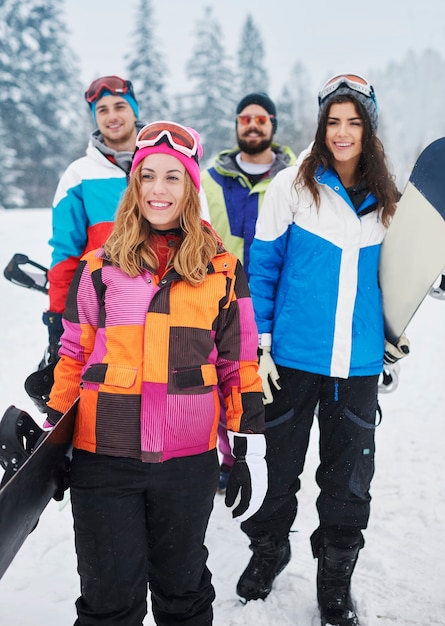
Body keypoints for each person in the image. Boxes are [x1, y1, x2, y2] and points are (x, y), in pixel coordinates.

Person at [44, 121, 267, 626]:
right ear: (134, 186)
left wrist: (247, 447)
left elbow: (238, 364)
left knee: (182, 595)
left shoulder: (222, 270)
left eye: (173, 177)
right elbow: (74, 356)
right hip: (106, 458)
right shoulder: (98, 268)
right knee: (108, 603)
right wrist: (53, 435)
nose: (159, 189)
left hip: (187, 462)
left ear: (190, 187)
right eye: (148, 177)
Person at [236, 74, 410, 626]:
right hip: (291, 358)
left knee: (348, 479)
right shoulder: (291, 185)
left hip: (357, 364)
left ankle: (335, 580)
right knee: (281, 468)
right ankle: (269, 551)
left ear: (369, 128)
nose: (342, 132)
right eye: (333, 121)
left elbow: (404, 278)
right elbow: (262, 270)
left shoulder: (389, 199)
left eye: (353, 122)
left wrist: (395, 333)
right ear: (320, 126)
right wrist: (259, 342)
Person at [200, 92, 296, 492]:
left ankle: (268, 459)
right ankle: (229, 458)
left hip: (275, 299)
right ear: (237, 125)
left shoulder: (295, 178)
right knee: (223, 383)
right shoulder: (209, 180)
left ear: (272, 124)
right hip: (220, 298)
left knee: (272, 384)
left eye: (260, 118)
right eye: (245, 118)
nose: (252, 125)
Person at [42, 75, 144, 368]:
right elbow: (64, 253)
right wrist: (57, 318)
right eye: (102, 110)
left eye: (120, 106)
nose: (112, 116)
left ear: (134, 110)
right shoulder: (79, 175)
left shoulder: (163, 163)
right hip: (101, 316)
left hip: (166, 310)